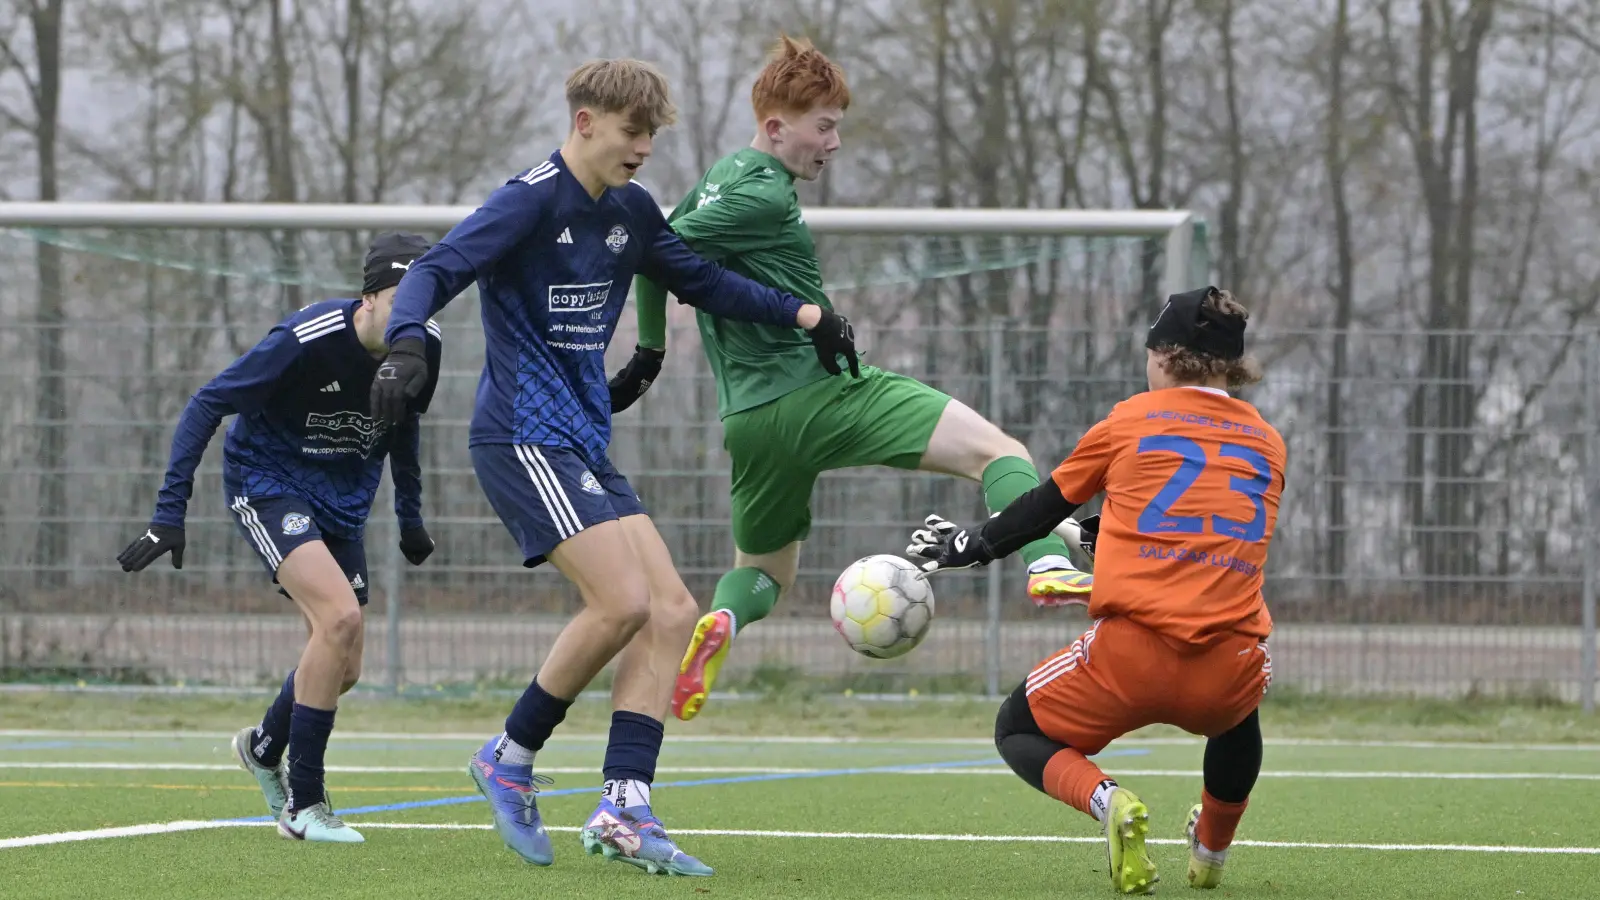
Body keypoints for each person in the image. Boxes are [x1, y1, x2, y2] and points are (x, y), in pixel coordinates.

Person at [370, 58, 859, 877]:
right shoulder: (529, 198)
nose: (642, 149)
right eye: (633, 132)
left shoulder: (631, 211)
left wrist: (805, 312)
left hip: (582, 440)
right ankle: (508, 756)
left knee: (670, 609)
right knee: (623, 601)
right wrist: (410, 343)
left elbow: (698, 279)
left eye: (652, 136)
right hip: (523, 436)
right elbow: (436, 269)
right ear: (586, 119)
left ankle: (624, 804)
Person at [615, 35, 1093, 723]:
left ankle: (722, 619)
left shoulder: (715, 178)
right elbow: (652, 251)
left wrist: (652, 352)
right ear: (776, 128)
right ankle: (1047, 565)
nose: (833, 143)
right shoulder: (767, 196)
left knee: (766, 573)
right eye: (824, 126)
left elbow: (655, 253)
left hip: (749, 423)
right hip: (830, 393)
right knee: (1001, 454)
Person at [908, 287, 1284, 894]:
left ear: (1163, 356)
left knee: (1016, 729)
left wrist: (972, 545)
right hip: (1226, 663)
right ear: (1232, 366)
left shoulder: (1130, 420)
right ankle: (1211, 852)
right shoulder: (1269, 443)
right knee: (1240, 718)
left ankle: (1107, 801)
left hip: (1130, 658)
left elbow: (1040, 507)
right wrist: (1101, 537)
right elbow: (1191, 530)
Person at [117, 233, 444, 844]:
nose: (414, 314)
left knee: (343, 667)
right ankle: (305, 802)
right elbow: (207, 403)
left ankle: (263, 748)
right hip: (268, 485)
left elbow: (405, 429)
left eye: (427, 301)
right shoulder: (306, 338)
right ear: (368, 296)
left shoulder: (422, 347)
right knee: (339, 619)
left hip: (344, 505)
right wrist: (169, 512)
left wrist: (411, 515)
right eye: (403, 298)